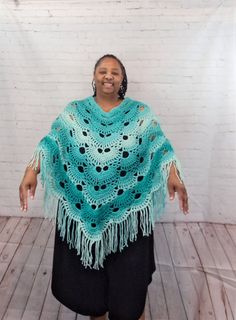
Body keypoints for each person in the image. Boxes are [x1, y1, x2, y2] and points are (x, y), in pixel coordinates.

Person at [19, 54, 189, 320]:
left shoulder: (139, 112)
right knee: (92, 293)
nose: (108, 76)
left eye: (115, 72)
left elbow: (159, 145)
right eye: (102, 71)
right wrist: (33, 168)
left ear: (122, 79)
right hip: (87, 211)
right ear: (94, 77)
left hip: (128, 214)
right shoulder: (74, 111)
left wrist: (173, 174)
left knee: (130, 294)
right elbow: (53, 140)